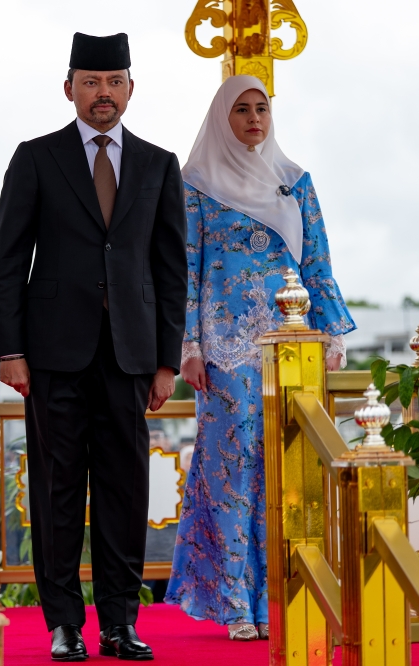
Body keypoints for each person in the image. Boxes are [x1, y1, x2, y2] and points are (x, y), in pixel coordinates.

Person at [0, 32, 187, 661]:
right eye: (91, 82)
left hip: (131, 353)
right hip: (52, 353)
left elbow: (170, 269)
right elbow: (9, 261)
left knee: (126, 489)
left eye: (115, 81)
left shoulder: (159, 165)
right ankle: (63, 624)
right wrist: (10, 349)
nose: (103, 94)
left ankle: (121, 622)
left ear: (130, 87)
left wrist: (166, 360)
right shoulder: (36, 157)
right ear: (69, 86)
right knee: (56, 487)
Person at [164, 75, 355, 641]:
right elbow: (186, 271)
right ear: (222, 118)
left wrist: (333, 337)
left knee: (290, 469)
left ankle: (287, 595)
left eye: (262, 109)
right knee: (231, 471)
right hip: (224, 351)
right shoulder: (196, 185)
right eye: (241, 109)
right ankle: (235, 604)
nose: (253, 119)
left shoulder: (295, 183)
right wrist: (189, 348)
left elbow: (318, 263)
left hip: (294, 348)